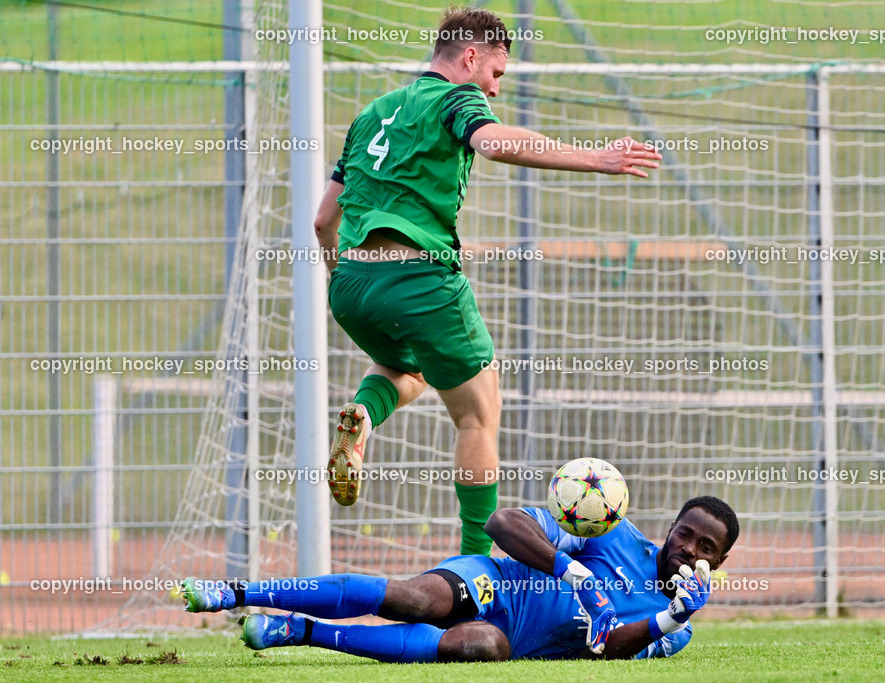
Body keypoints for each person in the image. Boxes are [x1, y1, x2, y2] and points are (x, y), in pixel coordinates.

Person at [312, 6, 662, 556]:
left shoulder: (370, 115)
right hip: (419, 274)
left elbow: (322, 220)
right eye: (496, 74)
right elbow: (494, 142)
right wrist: (595, 158)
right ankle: (477, 565)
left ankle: (363, 412)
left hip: (351, 282)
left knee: (409, 369)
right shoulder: (456, 98)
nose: (495, 90)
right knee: (478, 415)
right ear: (471, 57)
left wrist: (343, 277)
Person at [181, 496, 738, 661]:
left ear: (718, 562)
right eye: (684, 533)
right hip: (498, 581)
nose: (687, 549)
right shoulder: (610, 529)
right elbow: (502, 523)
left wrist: (671, 615)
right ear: (671, 529)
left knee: (481, 646)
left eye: (704, 547)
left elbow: (609, 648)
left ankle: (299, 633)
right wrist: (570, 568)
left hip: (514, 638)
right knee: (417, 599)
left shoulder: (677, 627)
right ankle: (234, 592)